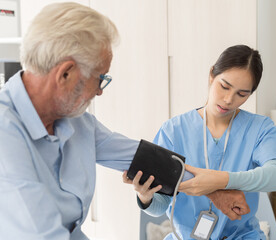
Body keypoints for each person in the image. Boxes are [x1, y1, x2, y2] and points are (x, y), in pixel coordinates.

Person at [0, 3, 249, 239]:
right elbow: (42, 233)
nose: (100, 91)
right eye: (101, 78)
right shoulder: (6, 133)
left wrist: (215, 191)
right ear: (65, 73)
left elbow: (142, 158)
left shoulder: (78, 123)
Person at [124, 45, 276, 239]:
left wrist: (222, 180)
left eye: (242, 94)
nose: (229, 99)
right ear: (212, 75)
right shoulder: (173, 130)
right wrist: (145, 197)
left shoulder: (260, 129)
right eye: (224, 86)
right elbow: (160, 205)